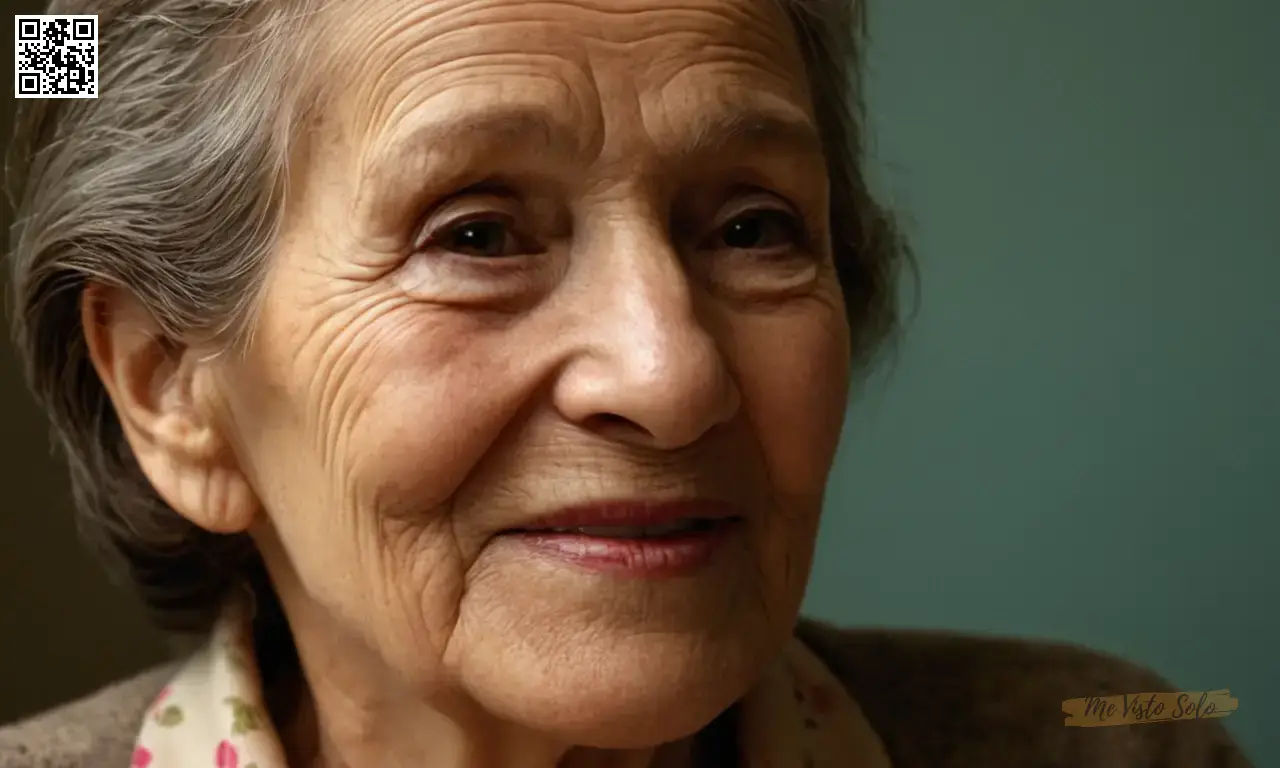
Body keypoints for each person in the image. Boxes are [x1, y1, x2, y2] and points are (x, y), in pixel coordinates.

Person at [0, 1, 1253, 766]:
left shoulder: (1111, 744)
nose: (671, 374)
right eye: (477, 235)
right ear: (172, 387)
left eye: (752, 228)